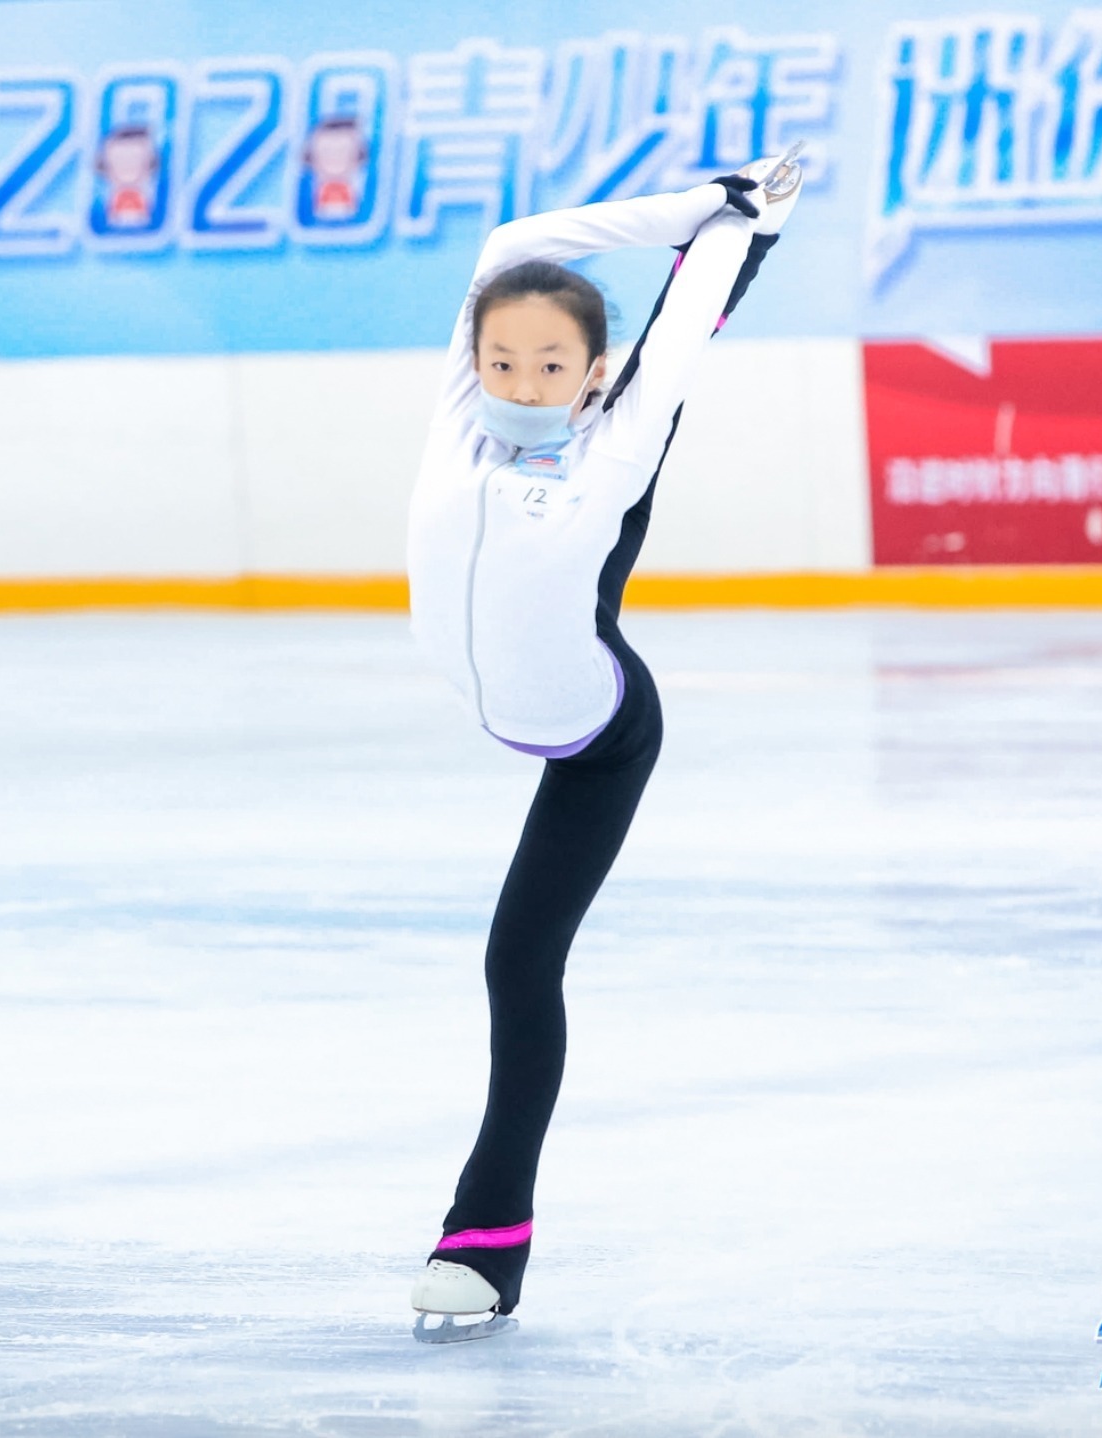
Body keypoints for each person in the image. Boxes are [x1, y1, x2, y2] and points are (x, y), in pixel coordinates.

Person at [404, 153, 801, 1343]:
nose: (519, 380)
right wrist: (689, 200)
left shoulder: (610, 445)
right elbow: (514, 246)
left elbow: (673, 343)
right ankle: (718, 229)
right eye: (500, 359)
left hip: (598, 730)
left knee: (517, 967)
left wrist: (740, 225)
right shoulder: (456, 421)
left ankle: (483, 1243)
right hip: (513, 689)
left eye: (550, 364)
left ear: (590, 374)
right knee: (510, 965)